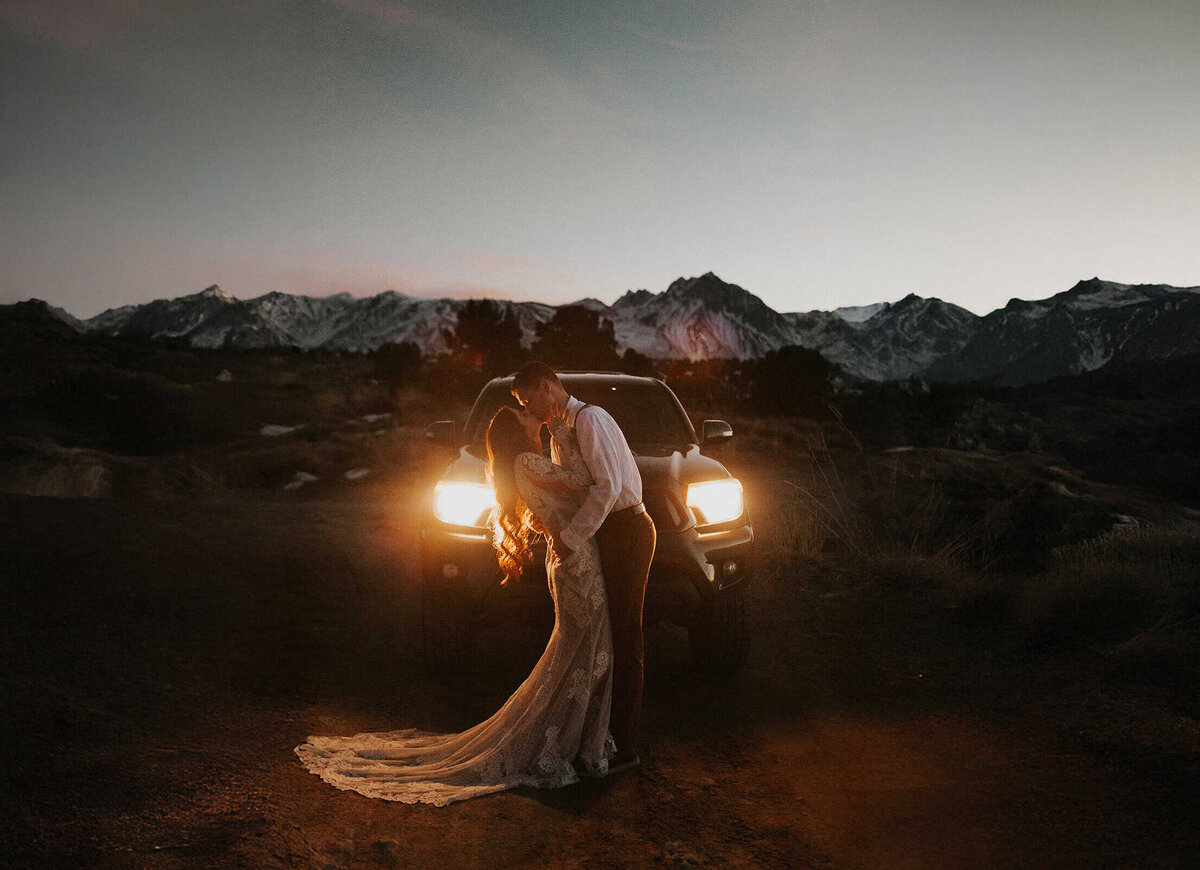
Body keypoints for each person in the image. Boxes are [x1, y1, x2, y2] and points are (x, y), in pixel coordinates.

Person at [294, 404, 615, 805]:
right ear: (517, 432)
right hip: (575, 561)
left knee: (578, 651)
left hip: (567, 557)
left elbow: (545, 505)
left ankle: (574, 737)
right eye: (528, 417)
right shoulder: (529, 459)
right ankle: (561, 744)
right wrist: (564, 434)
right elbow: (584, 478)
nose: (536, 418)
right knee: (581, 650)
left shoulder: (519, 464)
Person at [510, 361, 656, 772]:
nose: (528, 408)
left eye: (527, 399)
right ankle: (597, 737)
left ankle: (626, 746)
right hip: (604, 534)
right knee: (603, 634)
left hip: (627, 531)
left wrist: (569, 539)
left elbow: (608, 488)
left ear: (545, 388)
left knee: (627, 635)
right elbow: (576, 487)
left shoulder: (590, 419)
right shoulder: (561, 432)